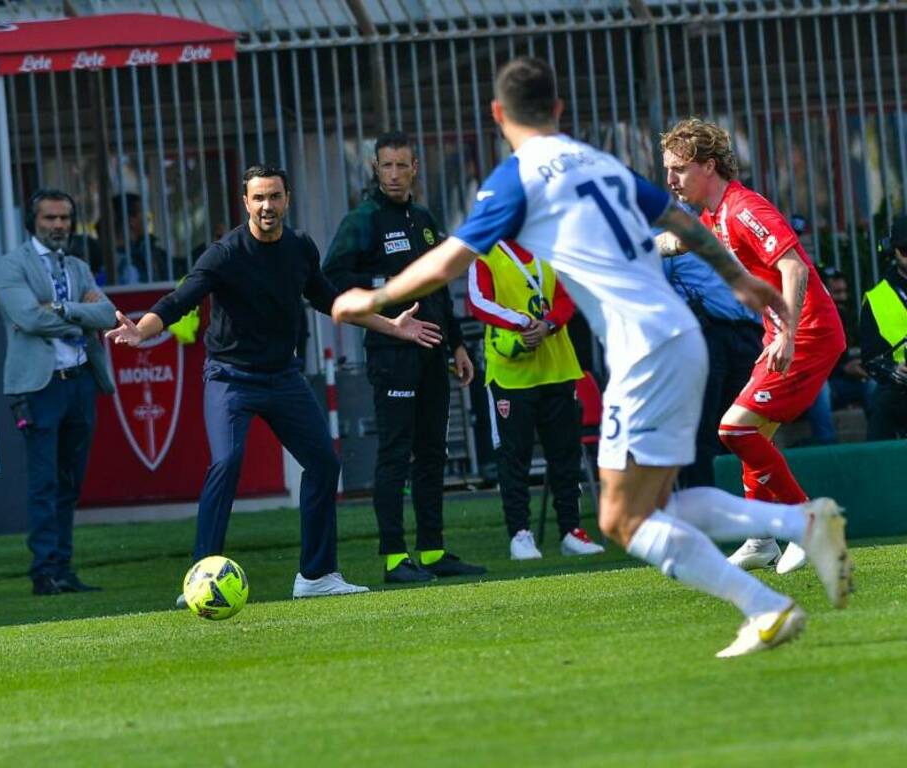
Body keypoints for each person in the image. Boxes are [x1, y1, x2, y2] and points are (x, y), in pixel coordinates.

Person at [332, 57, 853, 657]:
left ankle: (783, 563)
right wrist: (739, 279)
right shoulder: (600, 163)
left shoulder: (515, 178)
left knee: (625, 518)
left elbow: (451, 261)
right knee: (640, 508)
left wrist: (373, 297)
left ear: (499, 115)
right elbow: (684, 223)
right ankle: (789, 547)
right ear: (558, 111)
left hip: (644, 352)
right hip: (678, 339)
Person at [106, 164, 447, 601]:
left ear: (287, 200)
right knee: (226, 463)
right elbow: (179, 301)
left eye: (275, 196)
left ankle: (317, 576)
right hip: (231, 377)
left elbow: (331, 301)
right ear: (245, 203)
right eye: (259, 198)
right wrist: (141, 330)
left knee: (324, 462)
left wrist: (392, 327)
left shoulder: (300, 247)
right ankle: (200, 574)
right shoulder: (225, 253)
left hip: (283, 378)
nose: (267, 206)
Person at [659, 118, 846, 575]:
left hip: (808, 334)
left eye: (678, 169)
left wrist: (786, 333)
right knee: (751, 436)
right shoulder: (717, 214)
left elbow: (795, 268)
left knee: (733, 430)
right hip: (786, 333)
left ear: (707, 166)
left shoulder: (744, 209)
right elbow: (679, 241)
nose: (670, 180)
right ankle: (762, 539)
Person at [323, 130, 486, 584]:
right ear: (375, 169)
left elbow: (439, 286)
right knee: (394, 453)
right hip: (392, 351)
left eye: (401, 165)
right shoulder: (363, 220)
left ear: (415, 168)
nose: (393, 174)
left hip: (434, 351)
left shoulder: (425, 218)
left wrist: (457, 344)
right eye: (385, 166)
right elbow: (332, 279)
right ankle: (395, 559)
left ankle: (432, 550)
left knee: (433, 452)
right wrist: (384, 304)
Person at [0, 188, 118, 595]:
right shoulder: (11, 266)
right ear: (34, 222)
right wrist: (80, 319)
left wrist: (62, 311)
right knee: (44, 483)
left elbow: (107, 314)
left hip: (80, 382)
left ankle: (64, 569)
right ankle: (44, 572)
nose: (59, 226)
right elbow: (28, 318)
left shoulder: (79, 267)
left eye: (65, 218)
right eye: (50, 218)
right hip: (39, 388)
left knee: (70, 483)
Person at [467, 238, 604, 559]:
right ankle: (520, 535)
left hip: (558, 368)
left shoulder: (551, 247)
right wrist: (523, 323)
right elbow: (478, 301)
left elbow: (566, 298)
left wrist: (548, 325)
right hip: (510, 375)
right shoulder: (485, 253)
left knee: (565, 456)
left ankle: (571, 531)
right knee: (514, 458)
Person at [663, 230, 763, 487]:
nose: (675, 186)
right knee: (702, 427)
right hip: (705, 335)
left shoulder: (734, 220)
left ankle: (744, 503)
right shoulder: (667, 230)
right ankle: (701, 508)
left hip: (749, 334)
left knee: (745, 429)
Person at [803, 267, 875, 444]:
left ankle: (877, 440)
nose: (843, 297)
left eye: (844, 291)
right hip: (814, 386)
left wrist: (856, 365)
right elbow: (808, 363)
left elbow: (845, 355)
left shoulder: (844, 316)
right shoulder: (808, 317)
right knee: (820, 388)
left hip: (841, 383)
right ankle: (827, 446)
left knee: (872, 384)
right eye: (837, 292)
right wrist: (844, 368)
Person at [860, 214, 907, 440]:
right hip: (900, 388)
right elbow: (870, 359)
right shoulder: (876, 299)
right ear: (892, 250)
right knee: (881, 403)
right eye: (906, 251)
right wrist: (894, 370)